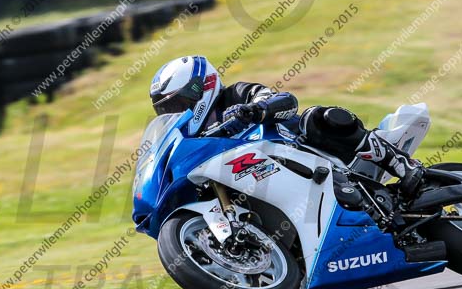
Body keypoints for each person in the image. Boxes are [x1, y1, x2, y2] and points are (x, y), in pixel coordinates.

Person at [149, 56, 424, 196]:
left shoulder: (235, 94)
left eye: (178, 103)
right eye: (167, 110)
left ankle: (401, 164)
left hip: (302, 150)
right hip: (263, 181)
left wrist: (254, 111)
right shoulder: (194, 141)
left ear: (201, 87)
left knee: (318, 118)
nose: (176, 112)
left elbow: (285, 100)